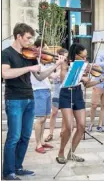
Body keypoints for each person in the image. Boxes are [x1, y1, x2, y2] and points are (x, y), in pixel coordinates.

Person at [2, 23, 65, 180]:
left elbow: (40, 76)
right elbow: (5, 74)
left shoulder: (28, 55)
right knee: (14, 136)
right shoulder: (6, 53)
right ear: (19, 36)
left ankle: (18, 166)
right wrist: (28, 69)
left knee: (24, 136)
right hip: (15, 99)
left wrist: (55, 65)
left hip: (30, 98)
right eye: (28, 38)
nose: (30, 42)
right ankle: (8, 171)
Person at [56, 43, 104, 164]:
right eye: (83, 56)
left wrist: (101, 79)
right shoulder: (65, 63)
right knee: (69, 127)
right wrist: (80, 77)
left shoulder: (84, 66)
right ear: (75, 55)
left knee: (81, 126)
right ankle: (60, 152)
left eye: (86, 57)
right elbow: (63, 79)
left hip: (77, 94)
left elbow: (87, 84)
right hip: (66, 93)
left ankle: (71, 153)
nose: (85, 59)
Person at [31, 39, 55, 154]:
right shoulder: (33, 60)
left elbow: (48, 75)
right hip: (38, 91)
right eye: (44, 48)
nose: (46, 50)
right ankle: (38, 144)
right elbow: (39, 76)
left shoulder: (43, 61)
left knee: (45, 118)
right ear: (37, 48)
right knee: (40, 118)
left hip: (46, 90)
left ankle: (42, 141)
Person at [45, 48, 69, 142]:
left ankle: (63, 132)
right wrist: (59, 67)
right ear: (60, 56)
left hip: (65, 91)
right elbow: (52, 76)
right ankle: (50, 133)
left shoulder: (67, 66)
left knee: (64, 114)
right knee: (54, 112)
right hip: (56, 91)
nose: (66, 58)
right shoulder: (54, 65)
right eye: (65, 56)